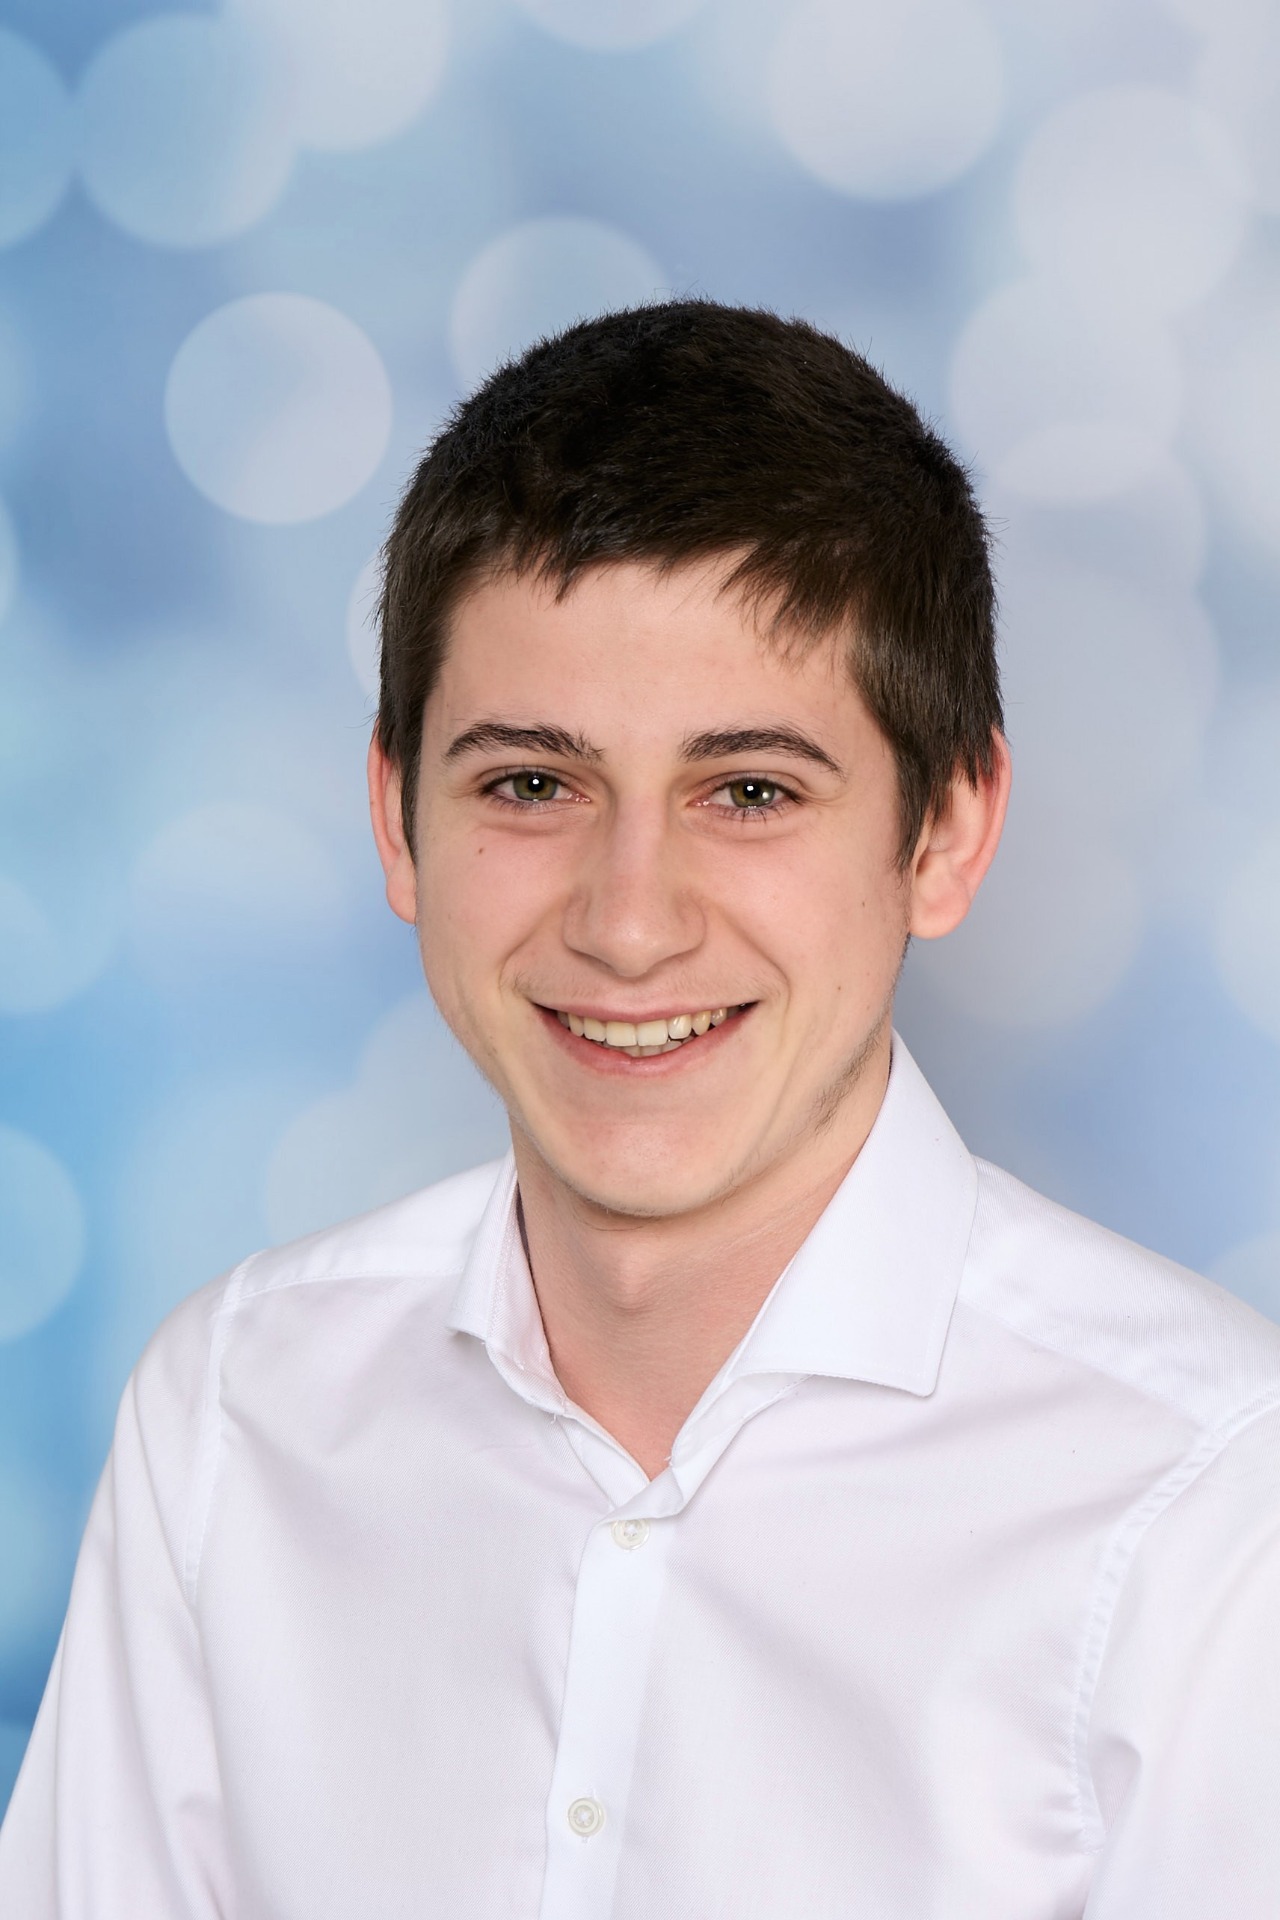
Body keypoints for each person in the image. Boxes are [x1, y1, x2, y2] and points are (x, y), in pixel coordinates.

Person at [2, 301, 1278, 1919]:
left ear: (947, 832)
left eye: (748, 792)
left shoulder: (1207, 1504)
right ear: (396, 819)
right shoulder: (232, 1418)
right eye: (531, 784)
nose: (626, 922)